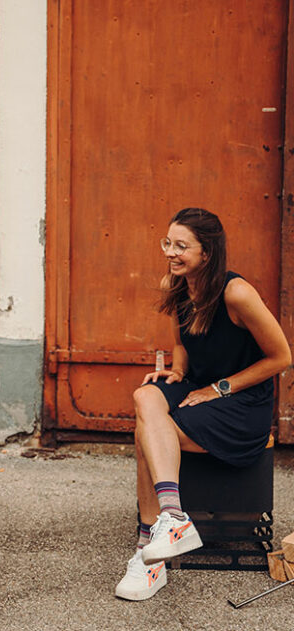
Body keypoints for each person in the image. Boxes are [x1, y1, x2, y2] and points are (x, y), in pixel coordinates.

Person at [115, 207, 290, 601]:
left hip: (242, 405)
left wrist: (220, 388)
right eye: (167, 243)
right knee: (146, 396)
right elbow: (181, 341)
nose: (170, 253)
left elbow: (282, 357)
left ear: (207, 252)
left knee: (148, 432)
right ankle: (172, 519)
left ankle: (149, 551)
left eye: (181, 246)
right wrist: (177, 372)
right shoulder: (176, 285)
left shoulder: (237, 293)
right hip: (197, 387)